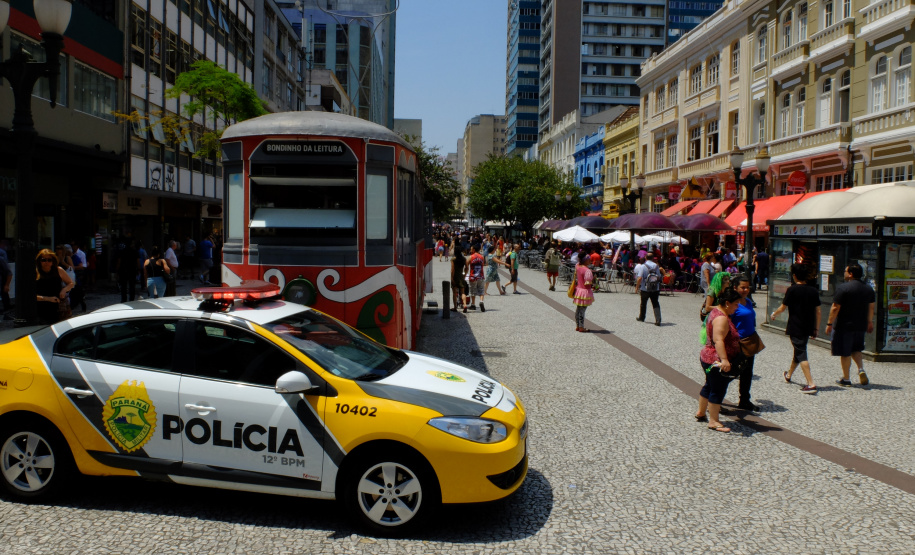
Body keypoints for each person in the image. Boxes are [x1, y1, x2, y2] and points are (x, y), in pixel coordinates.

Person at [696, 286, 744, 433]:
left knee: (709, 385)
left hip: (707, 356)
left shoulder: (716, 311)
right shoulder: (722, 318)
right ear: (728, 303)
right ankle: (714, 421)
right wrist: (724, 360)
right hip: (715, 360)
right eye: (736, 304)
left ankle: (701, 412)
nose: (737, 308)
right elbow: (718, 340)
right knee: (717, 389)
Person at [770, 264, 820, 394]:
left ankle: (811, 384)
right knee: (799, 351)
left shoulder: (792, 290)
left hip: (795, 326)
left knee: (801, 353)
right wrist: (816, 328)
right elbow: (818, 311)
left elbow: (783, 307)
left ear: (794, 276)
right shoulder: (813, 290)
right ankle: (789, 375)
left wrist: (774, 314)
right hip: (808, 326)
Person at [827, 264, 875, 387]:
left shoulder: (843, 288)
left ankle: (846, 378)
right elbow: (871, 307)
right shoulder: (868, 289)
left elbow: (835, 307)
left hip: (845, 325)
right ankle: (861, 369)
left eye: (845, 271)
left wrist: (829, 323)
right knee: (856, 348)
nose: (844, 273)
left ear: (851, 274)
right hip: (861, 325)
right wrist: (869, 322)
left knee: (845, 352)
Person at [731, 274, 761, 411]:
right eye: (742, 287)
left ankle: (744, 400)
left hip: (749, 342)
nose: (745, 290)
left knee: (747, 373)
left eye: (747, 287)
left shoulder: (748, 302)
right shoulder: (732, 304)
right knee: (730, 372)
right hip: (736, 343)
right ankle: (713, 398)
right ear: (735, 288)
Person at [35, 249, 75, 325]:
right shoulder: (36, 272)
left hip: (58, 307)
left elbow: (70, 283)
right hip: (40, 307)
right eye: (43, 260)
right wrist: (47, 299)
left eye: (49, 260)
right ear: (39, 261)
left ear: (53, 261)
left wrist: (64, 290)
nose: (46, 262)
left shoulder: (59, 270)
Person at [635, 253, 662, 326]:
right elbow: (659, 276)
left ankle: (642, 317)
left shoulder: (643, 266)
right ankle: (658, 319)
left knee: (643, 303)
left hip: (645, 288)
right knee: (655, 303)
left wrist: (637, 287)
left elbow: (639, 278)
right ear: (653, 258)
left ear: (645, 258)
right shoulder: (656, 266)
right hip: (655, 288)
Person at [572, 251, 594, 332]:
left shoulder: (577, 266)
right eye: (588, 259)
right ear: (585, 260)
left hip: (578, 290)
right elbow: (588, 282)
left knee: (578, 309)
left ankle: (578, 325)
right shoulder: (587, 270)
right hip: (585, 291)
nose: (590, 261)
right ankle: (581, 327)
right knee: (582, 310)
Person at [466, 245, 485, 312]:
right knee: (481, 290)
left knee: (473, 290)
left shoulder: (471, 257)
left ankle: (473, 304)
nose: (470, 250)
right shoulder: (482, 257)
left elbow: (466, 266)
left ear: (474, 249)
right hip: (481, 276)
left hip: (473, 276)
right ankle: (481, 301)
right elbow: (483, 264)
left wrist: (465, 274)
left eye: (471, 249)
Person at [450, 247, 467, 312]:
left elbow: (452, 270)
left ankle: (455, 307)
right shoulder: (464, 259)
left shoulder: (453, 259)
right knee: (462, 292)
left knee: (454, 293)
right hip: (461, 276)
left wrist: (452, 278)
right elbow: (467, 267)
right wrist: (464, 274)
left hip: (455, 276)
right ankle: (465, 305)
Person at [0, 239, 12, 317]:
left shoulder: (1, 259)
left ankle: (7, 313)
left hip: (2, 281)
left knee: (4, 296)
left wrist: (7, 285)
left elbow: (9, 273)